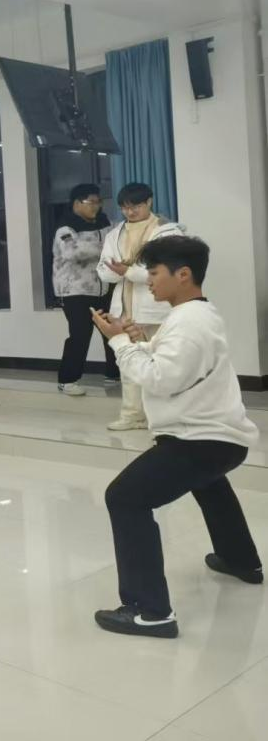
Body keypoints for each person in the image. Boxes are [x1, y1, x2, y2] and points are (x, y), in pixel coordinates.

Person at [91, 236, 260, 639]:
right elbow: (175, 362)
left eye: (153, 273)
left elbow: (161, 379)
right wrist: (138, 340)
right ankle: (240, 560)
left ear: (183, 274)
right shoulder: (194, 314)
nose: (148, 281)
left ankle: (149, 611)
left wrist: (118, 342)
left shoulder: (188, 323)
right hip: (219, 439)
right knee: (210, 484)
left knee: (125, 498)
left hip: (199, 440)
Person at [97, 183, 184, 431]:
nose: (130, 212)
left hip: (157, 309)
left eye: (135, 206)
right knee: (129, 364)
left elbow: (168, 272)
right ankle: (132, 416)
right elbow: (103, 270)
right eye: (124, 208)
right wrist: (115, 271)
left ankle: (170, 417)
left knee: (164, 365)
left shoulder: (167, 231)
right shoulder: (115, 234)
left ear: (149, 202)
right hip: (125, 310)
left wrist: (129, 271)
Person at [53, 184, 118, 397]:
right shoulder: (65, 228)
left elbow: (123, 235)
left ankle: (114, 374)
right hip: (74, 291)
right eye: (91, 202)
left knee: (112, 332)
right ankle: (67, 380)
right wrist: (108, 249)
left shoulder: (105, 223)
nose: (96, 207)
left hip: (103, 288)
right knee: (80, 335)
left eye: (99, 202)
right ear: (77, 203)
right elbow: (73, 252)